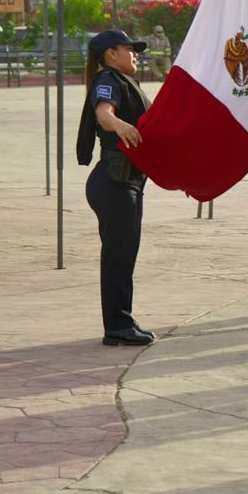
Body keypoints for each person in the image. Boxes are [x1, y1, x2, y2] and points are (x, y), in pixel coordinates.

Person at [76, 29, 155, 347]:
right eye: (129, 48)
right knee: (118, 258)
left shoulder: (125, 81)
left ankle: (120, 322)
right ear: (111, 53)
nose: (134, 53)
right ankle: (118, 326)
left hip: (126, 183)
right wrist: (119, 124)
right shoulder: (107, 80)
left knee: (123, 255)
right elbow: (103, 113)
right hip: (114, 182)